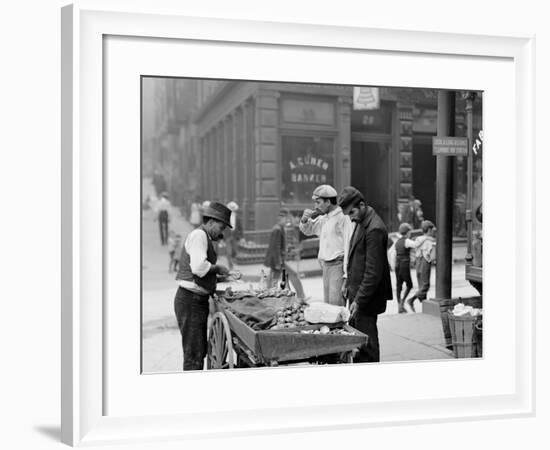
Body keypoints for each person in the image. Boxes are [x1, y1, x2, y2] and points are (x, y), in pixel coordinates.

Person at [173, 202, 231, 371]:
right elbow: (198, 269)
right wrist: (218, 268)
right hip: (190, 300)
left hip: (195, 299)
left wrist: (217, 277)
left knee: (198, 350)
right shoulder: (199, 235)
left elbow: (202, 273)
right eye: (221, 228)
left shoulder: (204, 237)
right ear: (211, 222)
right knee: (194, 354)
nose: (221, 233)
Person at [338, 186, 393, 363]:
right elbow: (356, 257)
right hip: (358, 295)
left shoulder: (374, 229)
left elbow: (373, 273)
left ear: (361, 205)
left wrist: (358, 300)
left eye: (352, 212)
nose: (351, 217)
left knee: (367, 344)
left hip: (366, 299)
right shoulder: (362, 221)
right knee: (359, 342)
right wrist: (347, 283)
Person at [299, 184, 353, 306]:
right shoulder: (325, 218)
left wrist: (346, 274)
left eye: (318, 202)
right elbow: (309, 230)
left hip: (337, 265)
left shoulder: (343, 217)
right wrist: (304, 220)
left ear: (328, 202)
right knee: (328, 307)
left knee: (336, 307)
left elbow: (348, 245)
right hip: (326, 266)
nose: (315, 206)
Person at [264, 209, 307, 300]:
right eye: (286, 218)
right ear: (281, 218)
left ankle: (267, 296)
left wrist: (287, 250)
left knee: (273, 279)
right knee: (292, 275)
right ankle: (301, 296)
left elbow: (279, 246)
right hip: (278, 260)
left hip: (278, 260)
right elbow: (275, 247)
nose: (287, 221)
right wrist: (278, 262)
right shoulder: (277, 229)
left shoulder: (279, 228)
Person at [406, 220, 437, 312]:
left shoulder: (418, 240)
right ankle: (411, 300)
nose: (433, 232)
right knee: (425, 285)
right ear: (428, 230)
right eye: (432, 230)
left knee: (421, 285)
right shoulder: (429, 241)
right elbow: (432, 256)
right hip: (425, 262)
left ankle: (424, 307)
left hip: (418, 263)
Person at [394, 223, 416, 313]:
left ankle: (399, 305)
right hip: (404, 265)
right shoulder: (407, 241)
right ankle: (402, 302)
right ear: (407, 232)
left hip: (397, 265)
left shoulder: (397, 241)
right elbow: (415, 245)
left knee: (399, 286)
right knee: (409, 285)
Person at [223, 201, 243, 270]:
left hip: (235, 236)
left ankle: (233, 261)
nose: (232, 209)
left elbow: (240, 227)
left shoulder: (237, 217)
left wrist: (242, 237)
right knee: (229, 252)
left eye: (233, 208)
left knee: (235, 251)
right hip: (228, 236)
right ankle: (230, 265)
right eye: (230, 208)